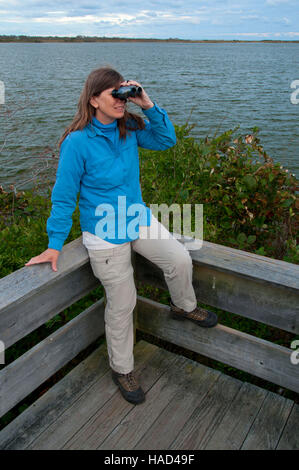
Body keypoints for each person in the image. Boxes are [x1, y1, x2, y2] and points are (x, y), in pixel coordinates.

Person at [25, 66, 218, 405]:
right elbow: (63, 196)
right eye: (114, 94)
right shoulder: (78, 142)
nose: (120, 101)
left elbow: (166, 140)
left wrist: (146, 102)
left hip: (137, 218)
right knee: (123, 301)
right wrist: (54, 245)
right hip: (103, 234)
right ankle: (122, 368)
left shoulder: (127, 127)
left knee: (179, 259)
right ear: (93, 99)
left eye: (123, 94)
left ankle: (183, 306)